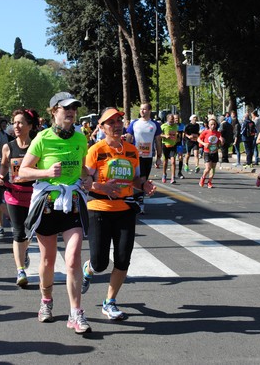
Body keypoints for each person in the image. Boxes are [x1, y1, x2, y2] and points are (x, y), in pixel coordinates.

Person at [18, 92, 92, 334]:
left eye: (73, 108)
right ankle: (46, 302)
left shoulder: (81, 138)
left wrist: (88, 179)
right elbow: (23, 172)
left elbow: (83, 170)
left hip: (71, 203)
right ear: (54, 112)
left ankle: (76, 313)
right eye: (65, 108)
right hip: (48, 205)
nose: (70, 112)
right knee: (48, 259)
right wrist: (47, 173)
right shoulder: (42, 138)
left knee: (72, 260)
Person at [81, 107, 157, 320]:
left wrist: (145, 185)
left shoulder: (132, 151)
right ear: (102, 127)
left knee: (123, 259)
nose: (116, 125)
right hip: (99, 208)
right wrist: (101, 187)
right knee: (100, 263)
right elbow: (85, 183)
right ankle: (88, 269)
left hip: (125, 208)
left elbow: (136, 179)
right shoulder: (95, 150)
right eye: (110, 122)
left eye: (118, 121)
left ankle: (110, 301)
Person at [0, 108, 39, 287]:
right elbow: (4, 167)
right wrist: (0, 176)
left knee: (29, 232)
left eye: (21, 122)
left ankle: (24, 249)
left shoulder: (36, 146)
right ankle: (20, 270)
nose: (16, 126)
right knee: (17, 232)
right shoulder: (8, 146)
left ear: (29, 126)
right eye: (15, 122)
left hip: (33, 195)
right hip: (13, 194)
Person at [126, 102, 162, 213]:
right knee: (137, 178)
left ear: (149, 111)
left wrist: (159, 156)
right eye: (141, 109)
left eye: (144, 109)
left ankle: (139, 200)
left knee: (144, 179)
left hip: (148, 156)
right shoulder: (134, 123)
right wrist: (126, 154)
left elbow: (158, 141)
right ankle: (138, 201)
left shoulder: (155, 125)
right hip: (135, 156)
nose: (142, 111)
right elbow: (128, 138)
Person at [198, 118, 222, 188]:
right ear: (208, 125)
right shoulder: (205, 132)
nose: (213, 126)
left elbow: (219, 142)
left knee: (213, 168)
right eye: (211, 124)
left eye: (214, 124)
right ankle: (202, 178)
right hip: (207, 152)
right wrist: (204, 144)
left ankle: (209, 182)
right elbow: (198, 139)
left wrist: (220, 142)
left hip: (214, 152)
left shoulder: (218, 133)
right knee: (208, 168)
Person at [161, 114, 178, 183]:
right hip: (165, 145)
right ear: (167, 119)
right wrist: (165, 136)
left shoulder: (176, 126)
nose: (172, 121)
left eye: (173, 119)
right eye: (171, 119)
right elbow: (159, 134)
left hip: (173, 146)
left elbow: (177, 133)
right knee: (165, 162)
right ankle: (164, 174)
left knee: (173, 162)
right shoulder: (163, 126)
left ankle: (173, 177)